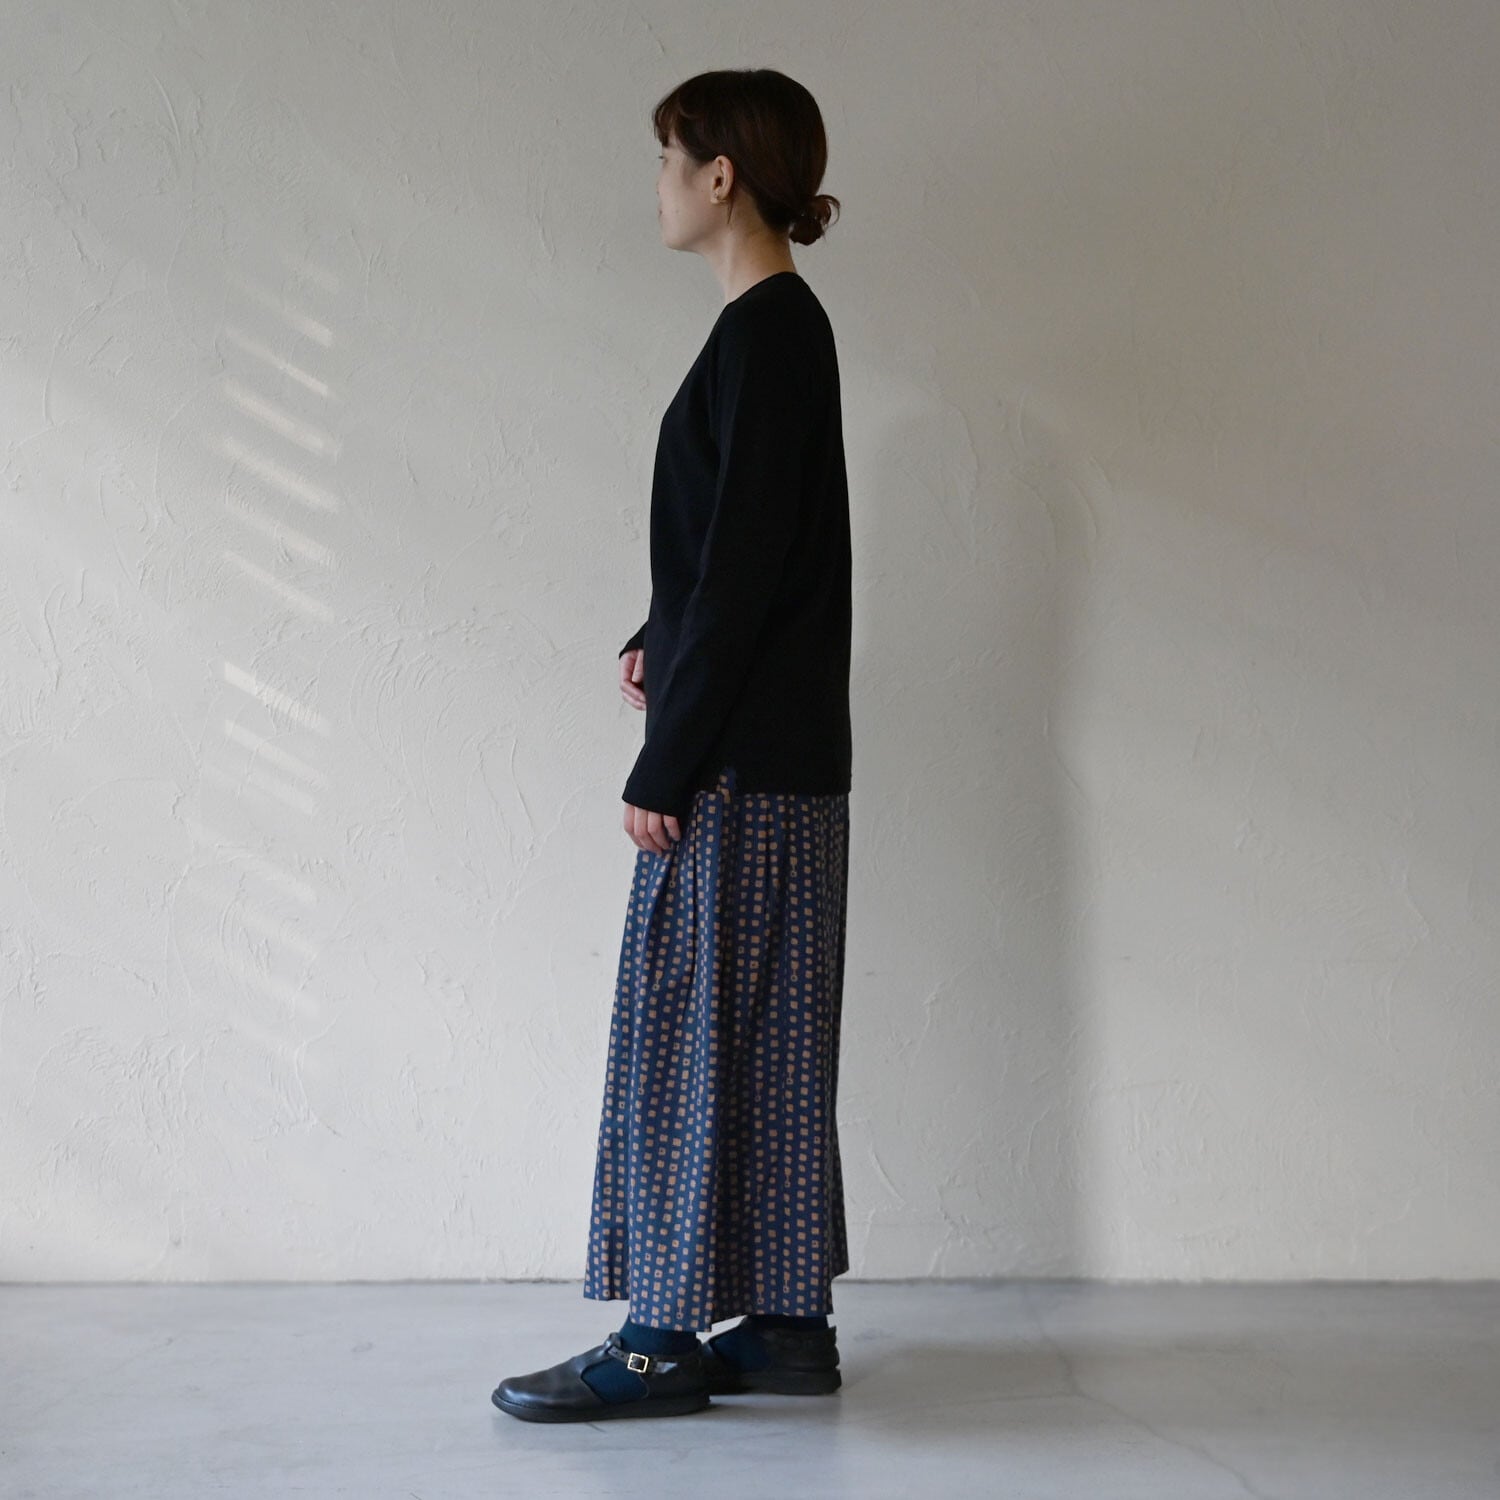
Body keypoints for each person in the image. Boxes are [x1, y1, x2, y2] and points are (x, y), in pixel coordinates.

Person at [492, 67, 853, 1423]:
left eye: (666, 159)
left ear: (720, 175)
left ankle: (657, 1341)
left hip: (740, 770)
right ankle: (786, 1328)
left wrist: (667, 764)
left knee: (691, 1042)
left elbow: (747, 569)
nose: (655, 185)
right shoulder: (778, 334)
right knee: (767, 1042)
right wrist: (661, 631)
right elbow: (738, 555)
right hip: (781, 762)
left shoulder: (766, 335)